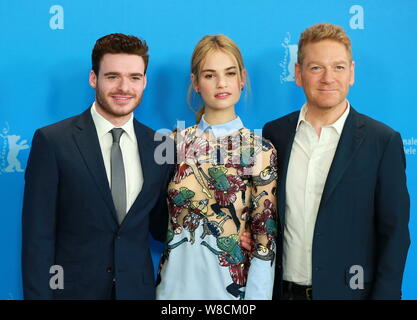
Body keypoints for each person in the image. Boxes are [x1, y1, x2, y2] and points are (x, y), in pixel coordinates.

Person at [263, 23, 410, 300]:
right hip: (281, 293)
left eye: (339, 67)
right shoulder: (275, 134)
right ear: (298, 74)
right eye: (316, 67)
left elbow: (395, 236)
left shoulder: (382, 141)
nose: (328, 78)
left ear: (352, 73)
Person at [22, 33, 173, 299]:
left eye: (134, 77)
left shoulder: (160, 146)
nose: (124, 88)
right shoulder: (53, 141)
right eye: (113, 76)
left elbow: (163, 227)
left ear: (144, 82)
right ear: (94, 78)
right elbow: (38, 238)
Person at [156, 34, 277, 300]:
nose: (222, 83)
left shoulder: (261, 150)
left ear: (242, 78)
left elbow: (265, 240)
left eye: (230, 73)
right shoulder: (170, 143)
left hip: (232, 293)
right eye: (210, 75)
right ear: (196, 82)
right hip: (172, 289)